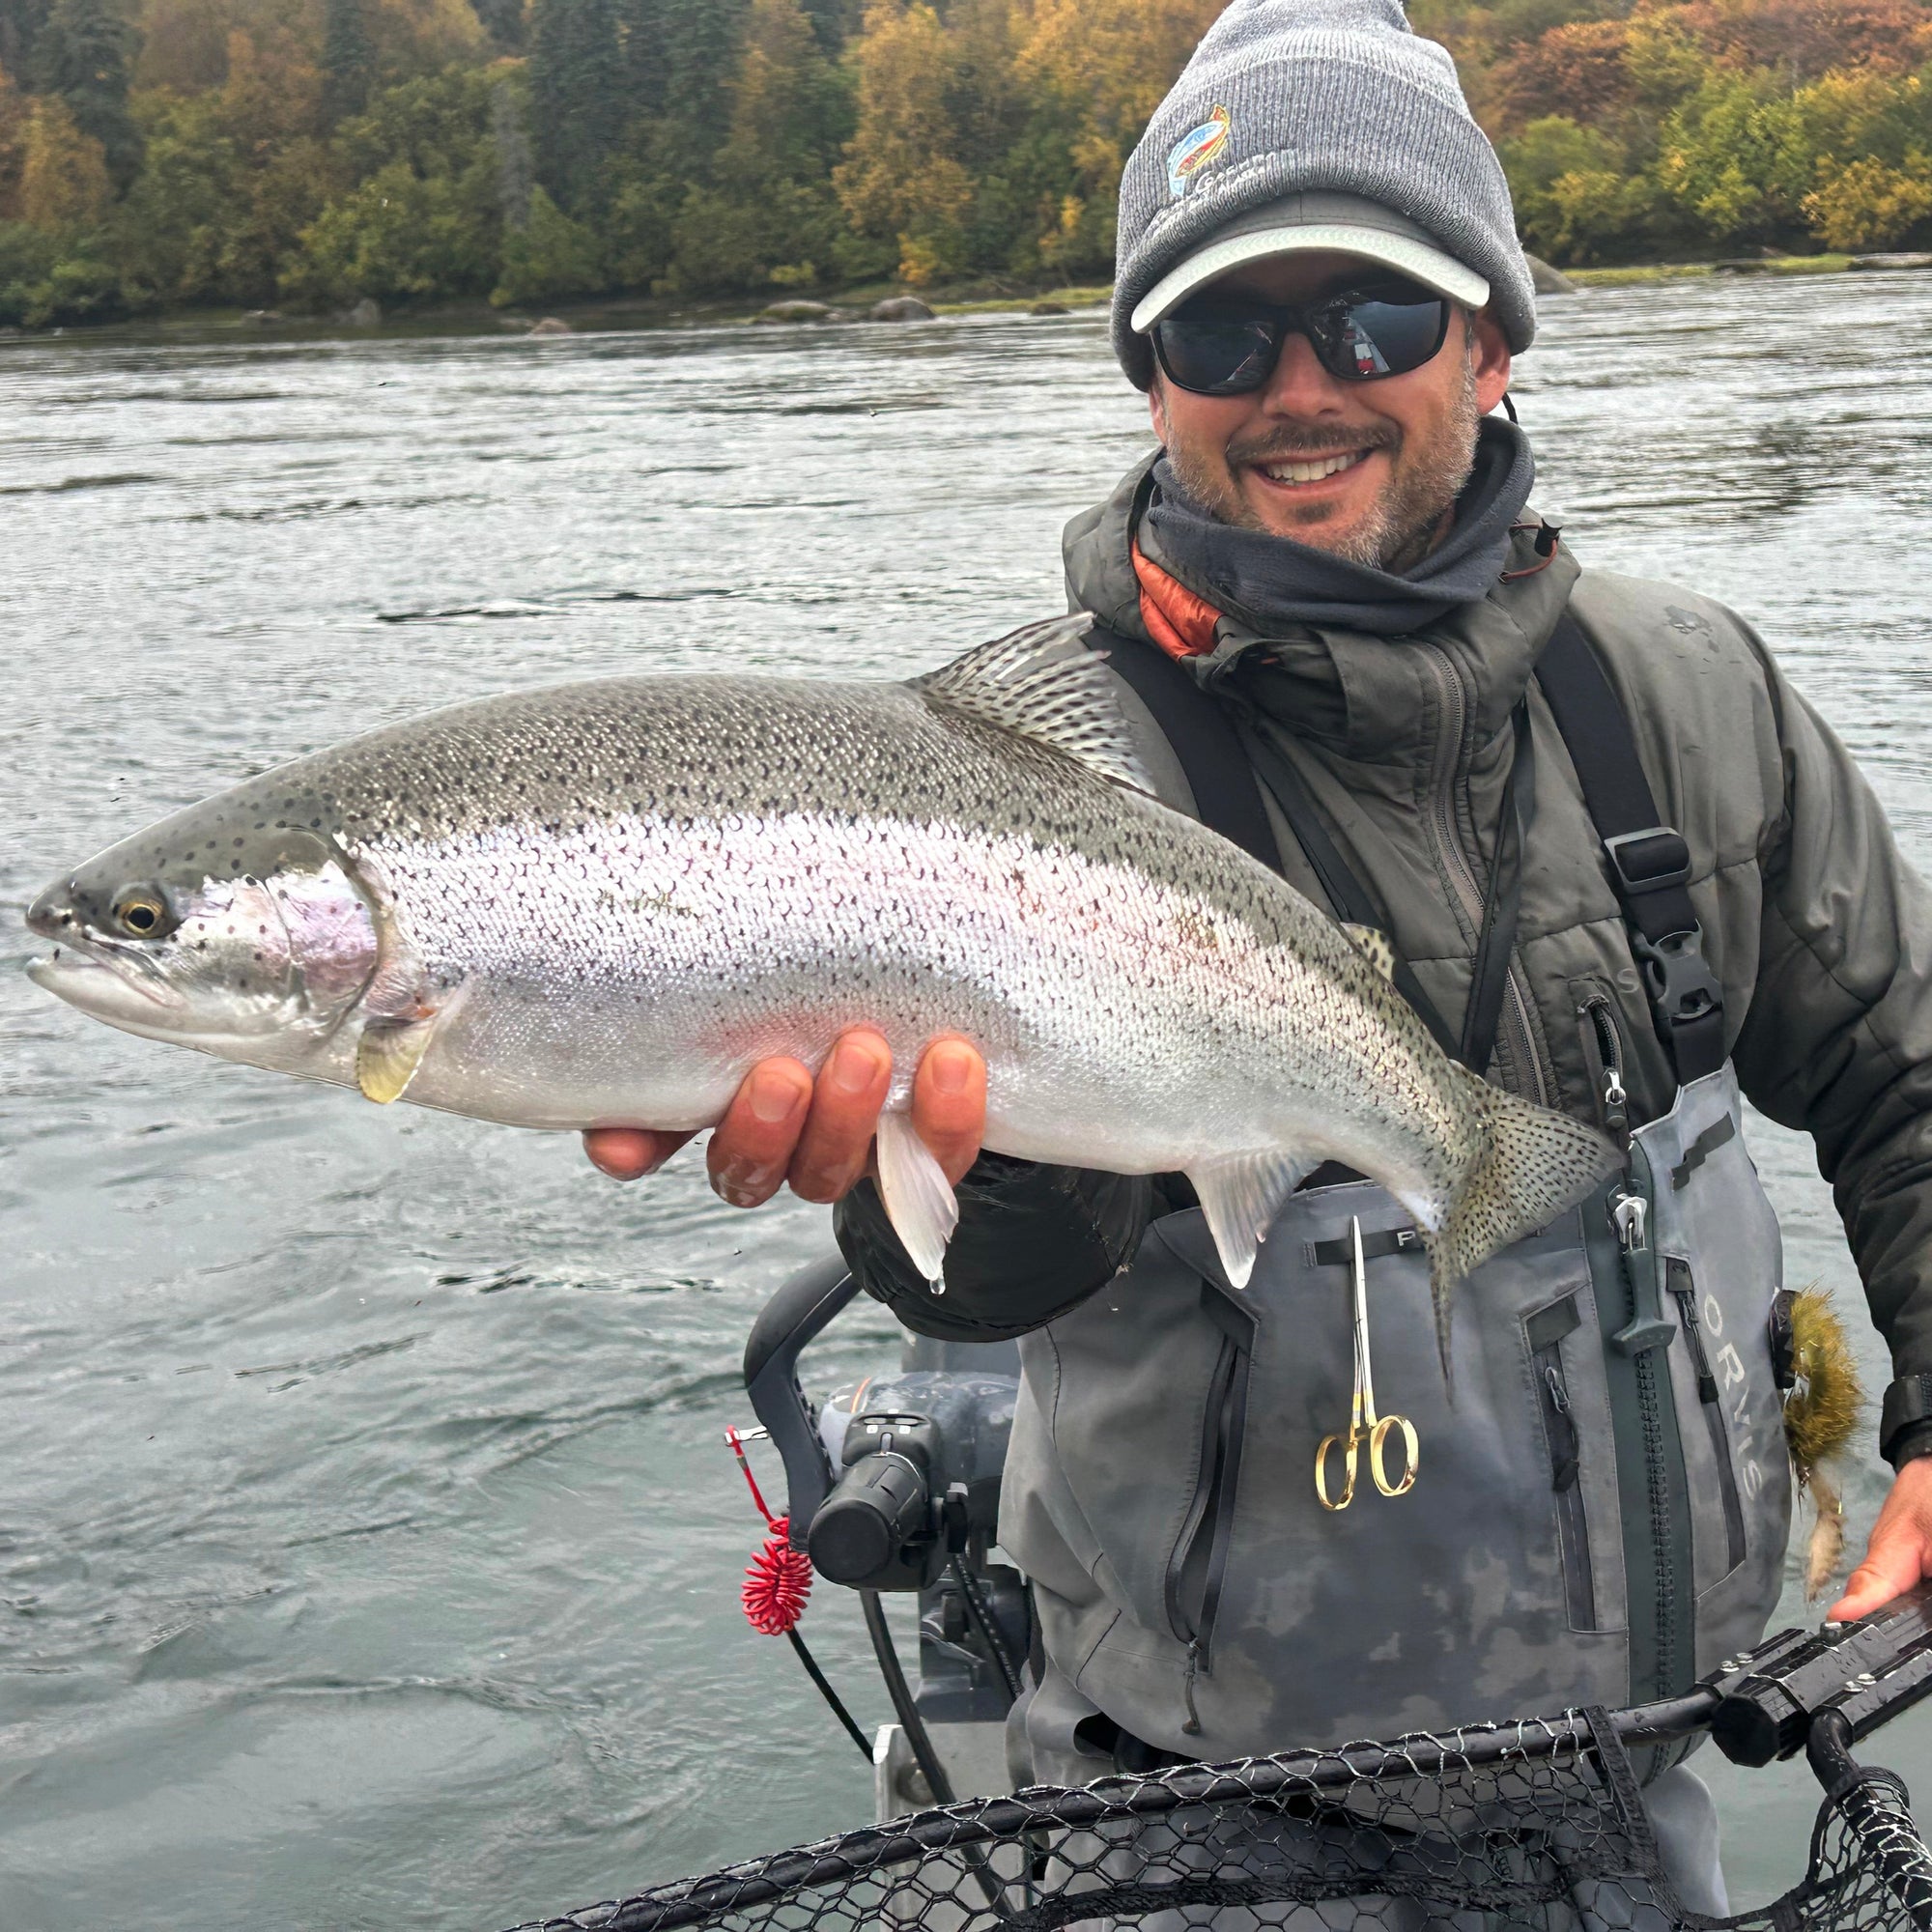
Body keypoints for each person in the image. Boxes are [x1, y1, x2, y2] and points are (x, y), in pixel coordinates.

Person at [585, 0, 1932, 1909]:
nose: (1301, 387)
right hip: (1184, 1808)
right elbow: (983, 1283)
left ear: (1489, 335)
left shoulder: (1688, 698)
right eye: (1222, 333)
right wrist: (947, 1165)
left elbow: (1902, 1064)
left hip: (1635, 1775)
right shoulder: (1037, 771)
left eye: (1374, 317)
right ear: (1153, 379)